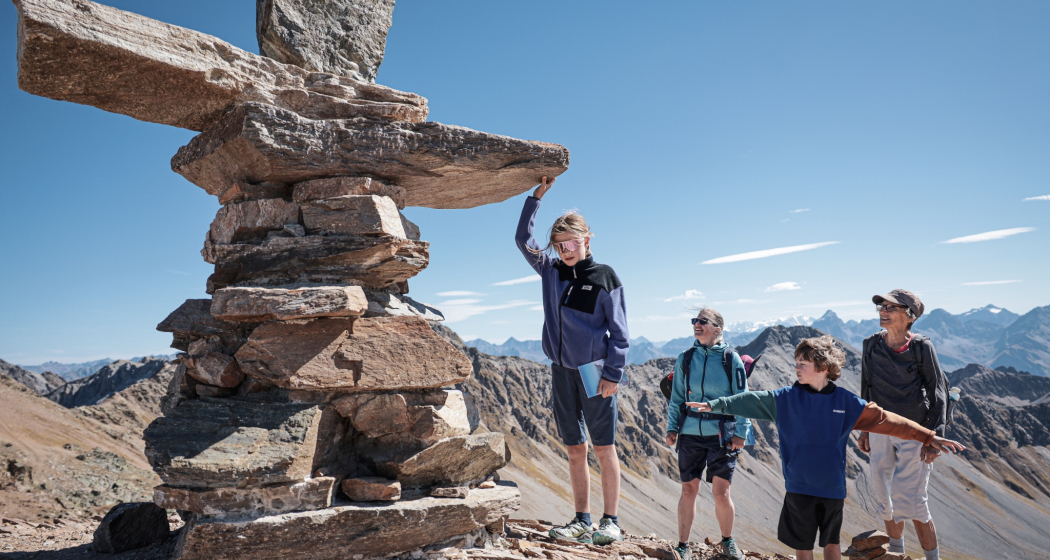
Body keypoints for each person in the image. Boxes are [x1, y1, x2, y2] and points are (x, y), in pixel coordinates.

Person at [688, 336, 965, 560]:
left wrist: (929, 437)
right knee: (803, 547)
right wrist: (715, 405)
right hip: (798, 487)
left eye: (803, 363)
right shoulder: (784, 399)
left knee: (831, 547)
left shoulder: (847, 403)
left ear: (822, 368)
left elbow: (890, 421)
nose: (796, 367)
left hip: (832, 489)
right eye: (796, 362)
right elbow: (748, 401)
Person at [515, 176, 630, 545]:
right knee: (574, 448)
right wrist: (535, 199)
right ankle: (582, 519)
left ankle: (610, 521)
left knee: (603, 446)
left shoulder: (604, 276)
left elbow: (621, 333)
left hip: (594, 373)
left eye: (571, 243)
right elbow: (522, 240)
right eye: (559, 244)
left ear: (587, 239)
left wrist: (612, 374)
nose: (565, 249)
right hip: (561, 372)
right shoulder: (550, 271)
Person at [858, 290, 949, 560]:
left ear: (909, 316)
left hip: (915, 432)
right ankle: (896, 555)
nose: (882, 311)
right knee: (884, 496)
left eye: (890, 307)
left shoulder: (921, 347)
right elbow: (867, 388)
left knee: (913, 502)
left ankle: (932, 559)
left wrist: (934, 438)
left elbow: (938, 393)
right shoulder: (870, 344)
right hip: (879, 429)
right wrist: (864, 428)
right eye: (881, 307)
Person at [665, 308, 752, 560]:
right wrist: (672, 428)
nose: (697, 325)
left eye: (703, 321)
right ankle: (683, 547)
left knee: (721, 492)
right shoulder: (685, 357)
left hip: (722, 434)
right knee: (688, 491)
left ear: (717, 328)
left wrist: (742, 432)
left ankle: (727, 542)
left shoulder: (730, 359)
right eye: (695, 321)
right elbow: (677, 398)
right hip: (690, 433)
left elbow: (743, 398)